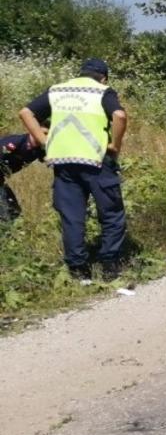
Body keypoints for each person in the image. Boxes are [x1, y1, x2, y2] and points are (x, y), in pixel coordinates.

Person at [17, 58, 127, 281]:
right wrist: (115, 145)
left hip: (64, 161)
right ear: (103, 77)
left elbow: (25, 112)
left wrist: (43, 140)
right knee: (111, 212)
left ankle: (77, 270)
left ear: (80, 73)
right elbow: (120, 115)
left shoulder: (56, 90)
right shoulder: (103, 91)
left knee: (72, 216)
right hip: (96, 161)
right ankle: (109, 266)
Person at [0, 132, 45, 222]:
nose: (44, 136)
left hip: (1, 179)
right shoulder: (15, 141)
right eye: (44, 133)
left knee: (14, 212)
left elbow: (52, 159)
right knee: (6, 214)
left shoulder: (39, 149)